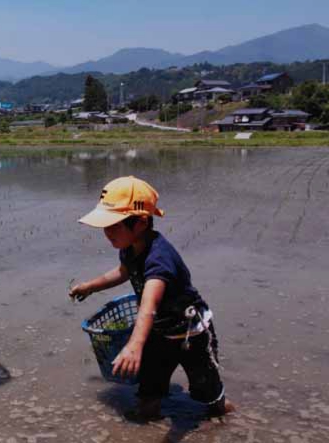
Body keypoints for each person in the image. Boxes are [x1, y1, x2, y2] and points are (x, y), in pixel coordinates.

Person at [69, 176, 234, 420]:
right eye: (106, 225)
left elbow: (148, 306)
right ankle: (148, 411)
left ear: (141, 223)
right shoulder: (130, 248)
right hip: (159, 331)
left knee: (208, 394)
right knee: (149, 384)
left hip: (191, 332)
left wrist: (134, 346)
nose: (107, 232)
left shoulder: (159, 258)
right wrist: (90, 286)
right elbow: (124, 272)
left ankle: (226, 414)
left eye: (114, 225)